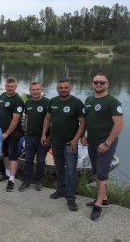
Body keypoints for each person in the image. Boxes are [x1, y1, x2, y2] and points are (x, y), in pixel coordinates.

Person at [81, 74, 124, 221]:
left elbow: (119, 125)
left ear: (107, 84)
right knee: (96, 171)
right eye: (96, 82)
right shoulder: (89, 100)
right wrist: (83, 136)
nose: (98, 84)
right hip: (92, 142)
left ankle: (98, 205)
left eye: (101, 82)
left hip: (106, 144)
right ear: (92, 84)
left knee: (102, 173)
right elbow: (87, 120)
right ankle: (104, 199)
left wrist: (107, 143)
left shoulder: (112, 102)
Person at [41, 79, 85, 212]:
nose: (63, 89)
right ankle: (61, 190)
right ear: (57, 89)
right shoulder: (53, 101)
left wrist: (75, 139)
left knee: (71, 171)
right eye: (61, 87)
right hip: (55, 142)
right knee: (59, 168)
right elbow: (48, 118)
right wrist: (44, 135)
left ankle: (71, 198)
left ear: (70, 88)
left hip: (69, 144)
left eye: (66, 87)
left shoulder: (77, 103)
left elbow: (83, 123)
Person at [19, 82, 50, 192]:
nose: (35, 92)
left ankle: (38, 181)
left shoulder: (47, 102)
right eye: (33, 90)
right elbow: (26, 117)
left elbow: (51, 120)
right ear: (30, 91)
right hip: (30, 137)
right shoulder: (28, 102)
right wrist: (26, 129)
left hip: (43, 138)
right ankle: (26, 181)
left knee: (41, 161)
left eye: (37, 89)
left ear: (41, 90)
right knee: (28, 160)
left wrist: (48, 137)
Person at [0, 78, 25, 192]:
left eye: (12, 86)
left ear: (15, 87)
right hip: (3, 132)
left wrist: (7, 133)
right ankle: (7, 175)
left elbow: (15, 120)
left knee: (12, 156)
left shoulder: (18, 101)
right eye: (8, 86)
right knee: (6, 154)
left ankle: (11, 180)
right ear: (5, 86)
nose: (10, 88)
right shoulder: (2, 96)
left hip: (13, 133)